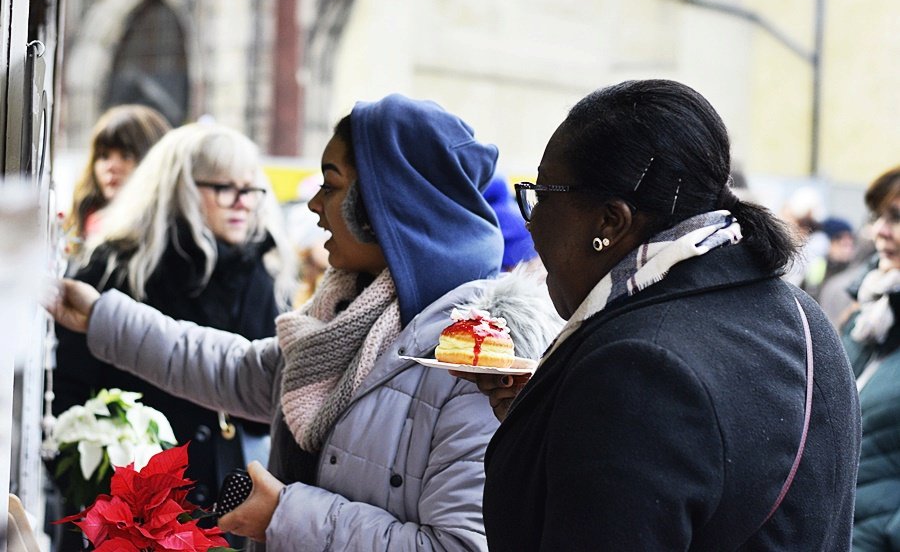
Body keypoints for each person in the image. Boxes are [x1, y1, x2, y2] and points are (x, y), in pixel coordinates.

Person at [47, 94, 562, 551]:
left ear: (386, 208)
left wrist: (286, 516)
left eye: (332, 186)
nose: (314, 205)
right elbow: (230, 367)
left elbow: (459, 546)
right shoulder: (343, 322)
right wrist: (96, 314)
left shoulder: (477, 351)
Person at [465, 79, 861, 550]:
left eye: (542, 194)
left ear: (610, 221)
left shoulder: (636, 369)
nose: (530, 219)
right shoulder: (803, 315)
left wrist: (593, 407)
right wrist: (558, 418)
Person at [52, 122, 297, 548]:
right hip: (127, 510)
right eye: (224, 187)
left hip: (225, 510)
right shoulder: (117, 270)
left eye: (251, 190)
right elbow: (68, 393)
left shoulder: (265, 276)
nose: (242, 203)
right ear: (179, 187)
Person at [838, 165, 900, 551]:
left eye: (896, 218)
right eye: (878, 216)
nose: (879, 230)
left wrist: (883, 535)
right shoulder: (868, 316)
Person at [63, 104, 171, 256]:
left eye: (126, 155)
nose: (111, 167)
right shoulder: (80, 220)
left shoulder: (169, 235)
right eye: (103, 156)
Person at [802, 216, 857, 302]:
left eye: (850, 237)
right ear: (827, 241)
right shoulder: (818, 267)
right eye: (839, 237)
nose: (847, 242)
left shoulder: (856, 268)